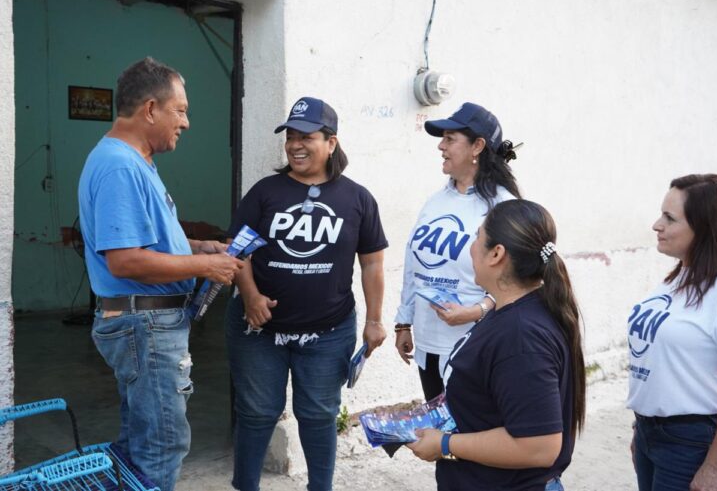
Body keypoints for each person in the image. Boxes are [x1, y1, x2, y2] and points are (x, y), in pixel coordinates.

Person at [77, 57, 244, 491]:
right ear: (150, 109)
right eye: (181, 110)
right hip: (146, 326)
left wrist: (198, 247)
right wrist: (207, 265)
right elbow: (126, 261)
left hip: (145, 324)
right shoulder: (120, 166)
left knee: (140, 441)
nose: (185, 122)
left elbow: (142, 242)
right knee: (162, 444)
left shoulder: (134, 161)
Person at [226, 96, 388, 491]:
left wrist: (374, 320)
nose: (296, 145)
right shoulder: (266, 192)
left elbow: (371, 263)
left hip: (328, 333)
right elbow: (237, 249)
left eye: (307, 137)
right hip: (258, 331)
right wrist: (249, 296)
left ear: (331, 142)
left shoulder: (357, 198)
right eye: (291, 137)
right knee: (257, 413)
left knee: (318, 415)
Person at [406, 199, 586, 491]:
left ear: (497, 254)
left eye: (477, 237)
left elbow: (539, 446)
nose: (471, 247)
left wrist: (445, 444)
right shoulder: (515, 311)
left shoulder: (522, 335)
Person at [628, 174, 717, 491]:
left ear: (705, 227)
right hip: (655, 437)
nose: (656, 225)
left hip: (697, 445)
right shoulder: (677, 278)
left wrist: (716, 465)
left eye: (670, 218)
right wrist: (643, 428)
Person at [393, 102, 522, 400]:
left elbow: (520, 279)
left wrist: (476, 311)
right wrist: (404, 322)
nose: (441, 146)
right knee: (441, 436)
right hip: (428, 345)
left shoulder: (503, 207)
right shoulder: (435, 202)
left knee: (468, 437)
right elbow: (414, 264)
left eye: (450, 139)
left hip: (473, 343)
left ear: (477, 146)